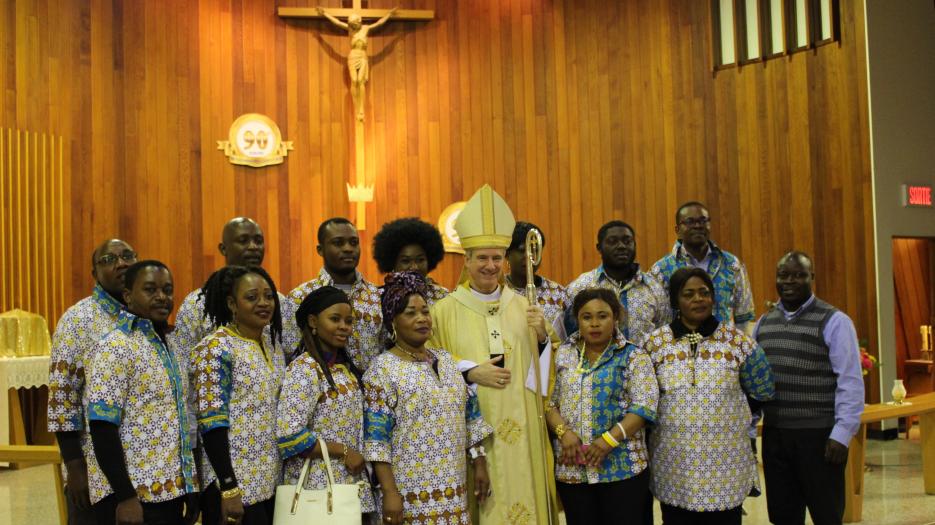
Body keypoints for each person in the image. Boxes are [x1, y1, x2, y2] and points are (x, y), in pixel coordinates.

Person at [428, 185, 558, 524]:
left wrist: (543, 340)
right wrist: (470, 371)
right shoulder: (443, 311)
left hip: (524, 428)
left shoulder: (525, 307)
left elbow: (542, 384)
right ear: (466, 260)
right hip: (473, 436)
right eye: (482, 258)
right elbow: (428, 369)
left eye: (496, 258)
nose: (490, 266)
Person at [643, 267, 774, 524]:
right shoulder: (654, 344)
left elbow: (763, 388)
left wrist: (726, 412)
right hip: (674, 462)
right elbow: (644, 396)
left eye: (704, 293)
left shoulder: (738, 342)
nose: (698, 299)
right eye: (688, 294)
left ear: (714, 298)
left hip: (725, 463)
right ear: (675, 302)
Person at [365, 271, 492, 525]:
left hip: (454, 491)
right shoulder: (381, 370)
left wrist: (479, 462)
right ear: (393, 321)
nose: (422, 319)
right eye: (410, 313)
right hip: (408, 495)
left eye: (425, 311)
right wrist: (390, 492)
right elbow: (377, 442)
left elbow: (470, 414)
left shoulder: (445, 360)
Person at [84, 260, 198, 525]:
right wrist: (125, 497)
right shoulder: (115, 347)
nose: (162, 297)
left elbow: (183, 422)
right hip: (134, 496)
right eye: (150, 290)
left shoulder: (173, 344)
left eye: (167, 290)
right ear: (128, 296)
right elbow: (102, 428)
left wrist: (191, 489)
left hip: (172, 491)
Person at [755, 252, 864, 525]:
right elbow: (754, 384)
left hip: (820, 439)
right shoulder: (763, 323)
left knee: (826, 515)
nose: (789, 281)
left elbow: (850, 382)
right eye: (783, 275)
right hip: (776, 436)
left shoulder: (835, 321)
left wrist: (841, 434)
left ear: (812, 278)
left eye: (799, 275)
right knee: (783, 516)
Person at [546, 288, 658, 524]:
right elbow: (548, 402)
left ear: (616, 317)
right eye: (587, 317)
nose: (594, 323)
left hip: (623, 468)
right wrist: (563, 432)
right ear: (577, 320)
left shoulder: (633, 356)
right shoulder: (562, 354)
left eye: (602, 316)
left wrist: (608, 440)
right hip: (573, 471)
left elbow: (644, 407)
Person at [47, 238, 138, 525]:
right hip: (93, 469)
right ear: (94, 273)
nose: (121, 263)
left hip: (141, 469)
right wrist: (74, 466)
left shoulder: (143, 314)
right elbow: (63, 398)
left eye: (127, 256)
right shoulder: (78, 320)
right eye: (109, 260)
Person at [192, 266, 287, 525]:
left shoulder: (273, 345)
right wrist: (229, 487)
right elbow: (211, 424)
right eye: (252, 297)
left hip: (270, 481)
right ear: (233, 303)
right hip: (234, 485)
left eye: (269, 296)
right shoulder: (215, 348)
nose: (264, 303)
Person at [275, 286, 377, 521]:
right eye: (335, 319)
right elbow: (289, 436)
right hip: (316, 492)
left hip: (349, 489)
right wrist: (343, 451)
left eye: (348, 321)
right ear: (313, 321)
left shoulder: (344, 369)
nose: (344, 327)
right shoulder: (304, 369)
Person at [174, 217, 295, 367]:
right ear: (223, 248)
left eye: (258, 241)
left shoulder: (278, 302)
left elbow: (292, 356)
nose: (253, 247)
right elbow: (184, 362)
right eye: (243, 241)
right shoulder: (196, 305)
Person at [288, 218, 383, 371]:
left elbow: (384, 349)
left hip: (373, 390)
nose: (348, 249)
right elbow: (290, 352)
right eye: (338, 243)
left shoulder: (377, 296)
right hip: (322, 389)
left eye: (353, 242)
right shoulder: (300, 296)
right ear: (320, 250)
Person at [651, 202, 755, 334]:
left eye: (703, 221)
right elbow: (657, 320)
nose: (698, 226)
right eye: (690, 221)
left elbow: (744, 316)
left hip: (724, 348)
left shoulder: (732, 264)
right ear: (677, 230)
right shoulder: (661, 269)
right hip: (678, 350)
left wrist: (742, 349)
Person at [565, 220, 669, 345]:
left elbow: (663, 334)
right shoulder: (581, 286)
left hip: (644, 362)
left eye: (627, 241)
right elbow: (569, 334)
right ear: (599, 248)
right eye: (612, 241)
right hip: (594, 363)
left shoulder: (655, 288)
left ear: (634, 245)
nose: (621, 246)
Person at [316, 6, 398, 121]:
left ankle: (361, 110)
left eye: (354, 23)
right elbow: (337, 22)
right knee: (354, 81)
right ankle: (356, 109)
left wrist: (389, 14)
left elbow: (379, 23)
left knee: (361, 81)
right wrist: (325, 14)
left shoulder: (366, 28)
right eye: (351, 24)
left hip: (363, 57)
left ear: (358, 22)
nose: (353, 26)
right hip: (353, 57)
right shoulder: (350, 31)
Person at [505, 221, 569, 342]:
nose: (529, 256)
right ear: (507, 254)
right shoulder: (497, 290)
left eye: (534, 250)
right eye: (522, 250)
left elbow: (568, 341)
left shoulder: (558, 294)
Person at [372, 217, 449, 304]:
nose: (415, 267)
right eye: (406, 261)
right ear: (393, 263)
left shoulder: (443, 297)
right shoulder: (379, 299)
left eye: (420, 260)